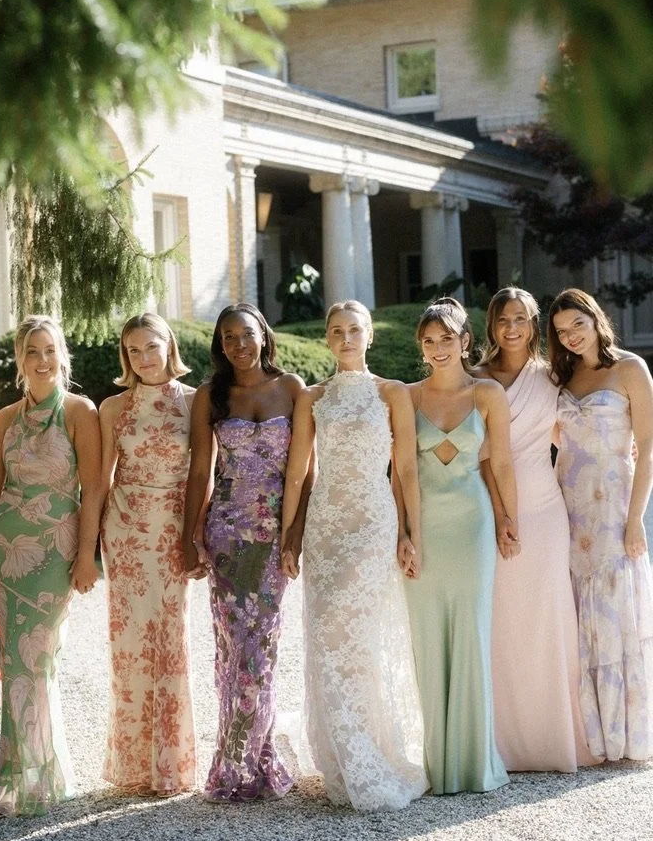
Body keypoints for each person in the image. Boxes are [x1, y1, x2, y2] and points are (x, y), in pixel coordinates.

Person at [280, 300, 428, 810]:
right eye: (337, 331)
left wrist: (410, 534)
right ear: (327, 339)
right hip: (325, 524)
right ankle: (341, 756)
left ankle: (370, 751)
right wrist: (290, 535)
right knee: (325, 634)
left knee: (359, 637)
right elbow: (298, 472)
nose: (346, 339)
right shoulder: (312, 397)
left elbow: (405, 470)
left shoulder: (393, 393)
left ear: (369, 336)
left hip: (371, 523)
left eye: (354, 330)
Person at [0, 315, 101, 818]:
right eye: (31, 352)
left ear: (62, 354)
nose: (41, 360)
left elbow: (94, 490)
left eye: (49, 350)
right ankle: (21, 776)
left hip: (56, 550)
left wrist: (86, 554)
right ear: (20, 362)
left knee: (39, 658)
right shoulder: (5, 418)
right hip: (8, 549)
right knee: (17, 660)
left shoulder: (80, 412)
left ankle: (31, 775)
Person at [182, 303, 305, 801]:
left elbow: (306, 470)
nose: (238, 344)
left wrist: (294, 533)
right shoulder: (210, 395)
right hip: (227, 534)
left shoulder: (291, 388)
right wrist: (190, 536)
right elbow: (200, 471)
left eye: (246, 334)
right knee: (234, 648)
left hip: (273, 533)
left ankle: (255, 758)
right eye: (228, 337)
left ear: (263, 336)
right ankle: (235, 763)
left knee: (263, 648)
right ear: (220, 344)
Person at [475, 287, 593, 771]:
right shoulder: (476, 378)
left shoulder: (552, 377)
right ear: (492, 325)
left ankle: (554, 736)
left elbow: (576, 428)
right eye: (503, 319)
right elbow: (481, 458)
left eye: (521, 319)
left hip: (545, 509)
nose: (512, 328)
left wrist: (617, 446)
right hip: (489, 507)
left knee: (548, 614)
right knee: (501, 619)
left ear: (533, 324)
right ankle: (504, 741)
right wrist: (501, 513)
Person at [81, 313, 197, 796]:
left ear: (169, 346)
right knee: (129, 645)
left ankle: (171, 764)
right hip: (125, 534)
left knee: (171, 639)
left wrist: (198, 536)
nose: (144, 358)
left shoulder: (195, 402)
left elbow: (205, 475)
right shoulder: (113, 407)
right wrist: (87, 551)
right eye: (134, 350)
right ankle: (133, 765)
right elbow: (98, 482)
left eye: (151, 346)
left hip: (172, 530)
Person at [405, 297, 513, 794]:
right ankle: (438, 765)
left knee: (471, 633)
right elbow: (399, 474)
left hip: (472, 525)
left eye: (446, 338)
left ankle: (473, 763)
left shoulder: (487, 393)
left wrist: (508, 518)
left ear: (465, 340)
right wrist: (405, 533)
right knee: (428, 638)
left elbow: (501, 463)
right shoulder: (406, 396)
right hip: (425, 527)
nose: (438, 348)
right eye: (429, 341)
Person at [549, 288, 653, 760]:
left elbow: (647, 447)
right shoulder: (561, 377)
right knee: (577, 614)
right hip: (568, 506)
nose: (571, 336)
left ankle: (624, 733)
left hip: (612, 508)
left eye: (578, 324)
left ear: (595, 320)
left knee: (615, 614)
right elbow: (556, 436)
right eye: (561, 331)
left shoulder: (630, 368)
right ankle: (587, 731)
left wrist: (636, 520)